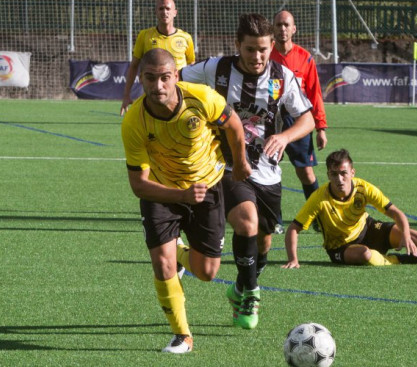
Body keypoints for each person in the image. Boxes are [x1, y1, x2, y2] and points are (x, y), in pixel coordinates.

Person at [180, 13, 315, 330]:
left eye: (263, 50)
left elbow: (306, 119)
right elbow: (178, 77)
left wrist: (284, 136)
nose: (257, 57)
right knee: (246, 221)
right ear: (238, 45)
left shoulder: (282, 77)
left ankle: (240, 287)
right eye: (250, 49)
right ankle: (252, 292)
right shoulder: (217, 69)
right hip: (224, 166)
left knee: (264, 243)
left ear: (271, 47)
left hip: (267, 172)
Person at [121, 49, 250, 353]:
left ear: (175, 76)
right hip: (162, 191)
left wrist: (241, 163)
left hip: (209, 186)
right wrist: (180, 195)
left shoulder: (202, 97)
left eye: (165, 78)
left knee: (207, 273)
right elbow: (139, 185)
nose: (158, 86)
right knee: (161, 263)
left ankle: (180, 253)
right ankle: (183, 335)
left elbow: (233, 125)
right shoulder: (134, 123)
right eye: (150, 79)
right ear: (141, 79)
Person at [282, 149, 417, 269]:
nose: (339, 179)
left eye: (343, 173)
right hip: (340, 246)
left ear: (352, 172)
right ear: (328, 174)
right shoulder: (319, 198)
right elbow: (294, 228)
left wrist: (406, 236)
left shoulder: (363, 188)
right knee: (365, 255)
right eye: (334, 174)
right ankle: (396, 260)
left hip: (368, 229)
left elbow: (397, 214)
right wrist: (293, 259)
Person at [270, 10, 328, 229]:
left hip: (299, 122)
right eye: (278, 25)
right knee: (269, 169)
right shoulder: (265, 56)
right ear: (273, 29)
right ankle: (273, 221)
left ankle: (316, 218)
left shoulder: (305, 58)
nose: (282, 29)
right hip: (271, 121)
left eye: (286, 25)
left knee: (305, 171)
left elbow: (315, 93)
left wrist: (321, 127)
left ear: (294, 29)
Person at [120, 0, 195, 116]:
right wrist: (126, 95)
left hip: (180, 96)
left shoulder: (186, 38)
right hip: (155, 95)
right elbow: (134, 66)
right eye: (161, 9)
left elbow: (192, 67)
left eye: (168, 9)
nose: (164, 12)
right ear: (156, 12)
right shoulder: (145, 36)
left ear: (175, 12)